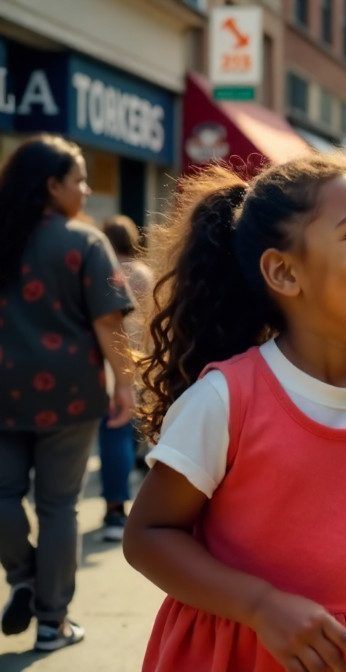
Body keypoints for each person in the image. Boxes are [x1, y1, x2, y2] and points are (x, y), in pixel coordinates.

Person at [122, 154, 346, 672]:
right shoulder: (226, 399)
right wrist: (259, 606)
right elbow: (149, 536)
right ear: (284, 271)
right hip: (231, 654)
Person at [0, 135, 135, 651]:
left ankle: (23, 578)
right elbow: (109, 323)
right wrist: (125, 383)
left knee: (3, 494)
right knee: (60, 506)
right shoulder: (85, 242)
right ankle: (53, 622)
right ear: (51, 185)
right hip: (71, 394)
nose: (87, 188)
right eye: (79, 179)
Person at [96, 215, 155, 542]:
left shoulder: (98, 269)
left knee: (113, 427)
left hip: (108, 358)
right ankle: (139, 469)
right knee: (134, 420)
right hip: (141, 355)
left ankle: (115, 509)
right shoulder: (144, 273)